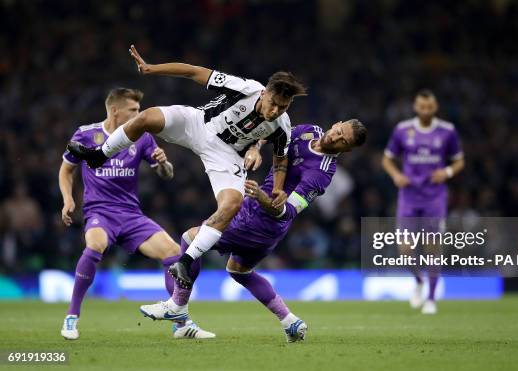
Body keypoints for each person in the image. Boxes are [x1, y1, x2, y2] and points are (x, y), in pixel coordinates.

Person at [67, 46, 307, 290]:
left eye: (283, 107)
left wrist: (278, 189)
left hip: (227, 156)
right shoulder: (244, 88)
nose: (276, 110)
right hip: (199, 124)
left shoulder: (281, 126)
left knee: (232, 205)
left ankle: (186, 260)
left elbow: (281, 158)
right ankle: (100, 155)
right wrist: (152, 68)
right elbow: (193, 72)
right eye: (274, 103)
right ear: (265, 93)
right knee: (146, 118)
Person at [140, 120, 367, 342]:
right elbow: (277, 133)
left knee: (190, 238)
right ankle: (290, 321)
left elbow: (287, 211)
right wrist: (256, 147)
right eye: (339, 130)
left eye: (342, 140)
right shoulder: (310, 130)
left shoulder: (322, 173)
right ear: (337, 123)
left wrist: (262, 197)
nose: (335, 136)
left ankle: (178, 306)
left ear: (346, 149)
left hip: (259, 220)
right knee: (239, 271)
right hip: (264, 224)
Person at [59, 88, 211, 340]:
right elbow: (66, 170)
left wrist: (163, 163)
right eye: (134, 110)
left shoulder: (142, 137)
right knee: (95, 244)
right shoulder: (86, 134)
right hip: (100, 211)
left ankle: (181, 324)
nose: (139, 114)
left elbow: (167, 175)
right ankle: (71, 317)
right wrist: (67, 200)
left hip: (131, 215)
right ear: (115, 110)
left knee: (174, 252)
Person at [381, 90, 464, 314]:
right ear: (415, 107)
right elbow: (387, 158)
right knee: (405, 249)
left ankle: (430, 299)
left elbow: (459, 161)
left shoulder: (447, 131)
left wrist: (446, 172)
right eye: (421, 107)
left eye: (429, 107)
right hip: (408, 195)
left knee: (432, 247)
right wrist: (396, 175)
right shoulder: (402, 130)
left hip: (435, 197)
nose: (425, 111)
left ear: (435, 107)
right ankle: (418, 280)